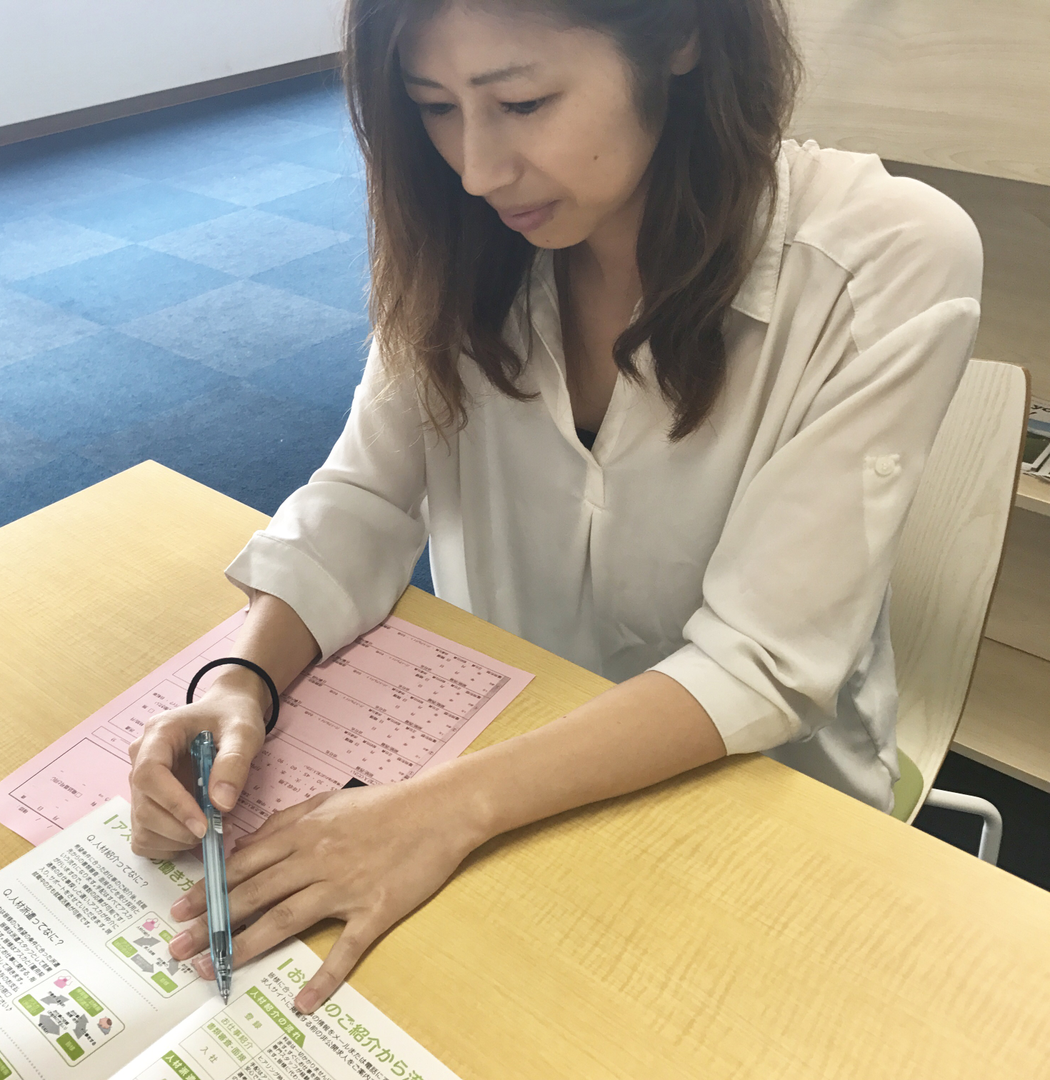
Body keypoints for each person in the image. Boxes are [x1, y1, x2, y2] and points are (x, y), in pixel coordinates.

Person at [128, 0, 982, 1014]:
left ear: (680, 35)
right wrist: (241, 681)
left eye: (523, 102)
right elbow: (362, 497)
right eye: (434, 107)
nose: (475, 170)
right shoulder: (458, 237)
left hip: (754, 802)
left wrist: (439, 811)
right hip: (494, 765)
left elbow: (760, 661)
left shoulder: (884, 255)